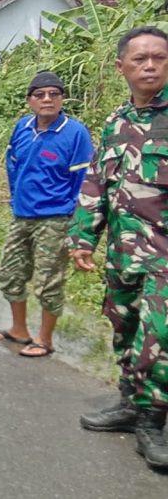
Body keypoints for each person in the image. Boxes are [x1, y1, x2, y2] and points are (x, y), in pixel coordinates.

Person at [71, 26, 168, 469]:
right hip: (123, 253)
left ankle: (153, 421)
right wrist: (83, 236)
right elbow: (96, 183)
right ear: (121, 67)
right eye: (140, 59)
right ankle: (130, 403)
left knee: (160, 338)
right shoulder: (116, 122)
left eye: (159, 58)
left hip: (164, 259)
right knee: (124, 329)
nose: (150, 65)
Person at [0, 71, 92, 358]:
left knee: (49, 281)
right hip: (22, 214)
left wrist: (76, 223)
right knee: (9, 273)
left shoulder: (75, 133)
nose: (47, 99)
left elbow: (83, 181)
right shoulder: (22, 127)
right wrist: (16, 198)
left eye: (54, 94)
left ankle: (45, 341)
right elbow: (12, 165)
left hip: (56, 218)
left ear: (62, 99)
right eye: (40, 95)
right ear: (29, 100)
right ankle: (19, 331)